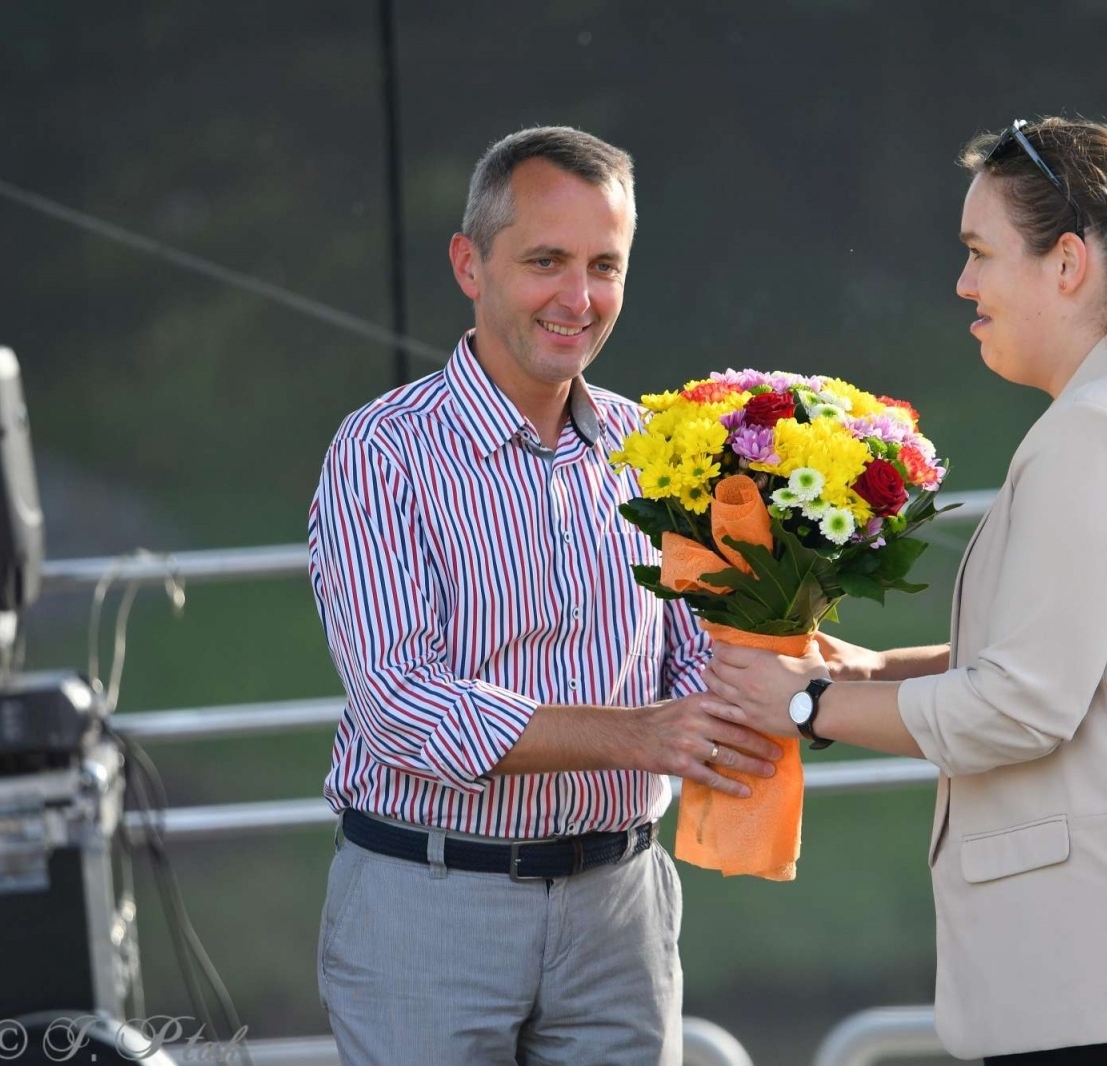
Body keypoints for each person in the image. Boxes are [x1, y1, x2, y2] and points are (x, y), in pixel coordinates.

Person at [705, 116, 1107, 1065]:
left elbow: (1023, 704)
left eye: (980, 252)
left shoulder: (1102, 431)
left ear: (1067, 263)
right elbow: (1075, 658)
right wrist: (871, 671)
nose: (964, 283)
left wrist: (806, 704)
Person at [307, 126, 779, 1066]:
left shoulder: (657, 450)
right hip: (429, 910)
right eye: (546, 262)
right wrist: (638, 736)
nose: (579, 298)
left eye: (605, 266)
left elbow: (697, 660)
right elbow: (403, 705)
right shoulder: (381, 451)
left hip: (621, 911)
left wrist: (797, 661)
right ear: (469, 264)